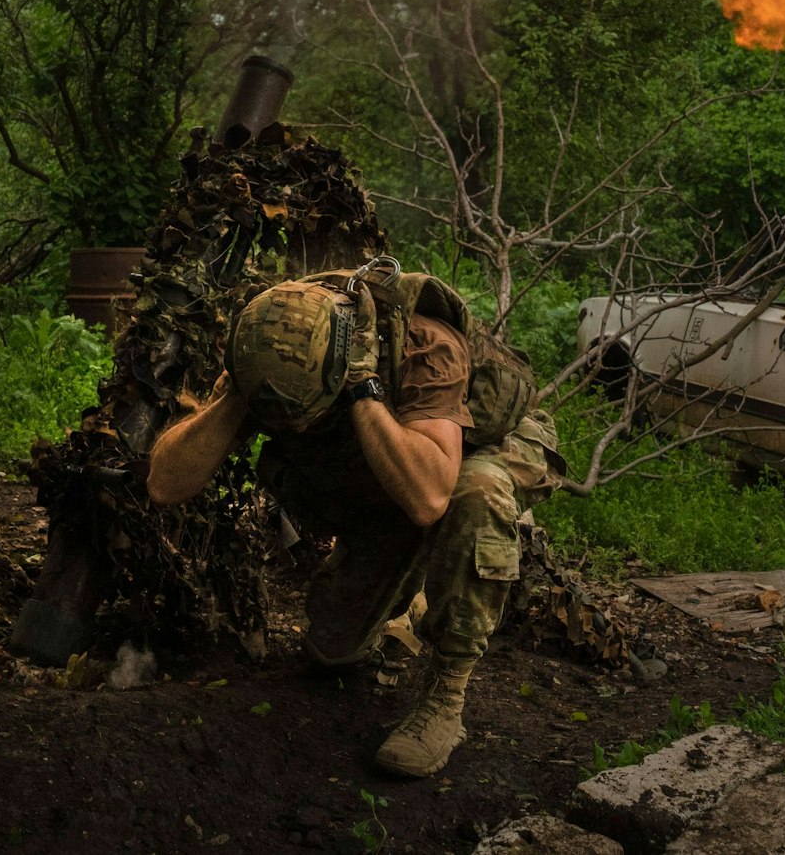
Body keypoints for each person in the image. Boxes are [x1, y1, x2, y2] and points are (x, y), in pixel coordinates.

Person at [145, 257, 562, 777]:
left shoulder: (424, 346)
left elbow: (430, 496)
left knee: (474, 493)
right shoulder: (269, 346)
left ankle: (446, 695)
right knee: (333, 651)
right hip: (397, 465)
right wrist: (235, 399)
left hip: (478, 447)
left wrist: (363, 387)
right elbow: (165, 485)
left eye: (307, 415)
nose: (296, 429)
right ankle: (407, 586)